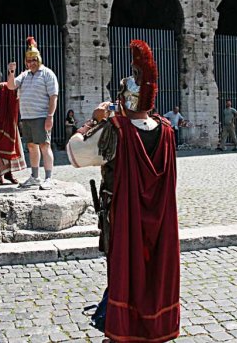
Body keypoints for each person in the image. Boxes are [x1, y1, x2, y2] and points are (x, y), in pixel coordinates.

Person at [66, 40, 180, 342]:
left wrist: (93, 120)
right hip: (159, 224)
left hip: (124, 217)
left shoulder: (116, 130)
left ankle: (123, 330)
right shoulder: (167, 130)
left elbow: (75, 154)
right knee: (153, 273)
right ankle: (153, 328)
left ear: (125, 100)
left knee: (125, 272)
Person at [6, 36, 59, 191]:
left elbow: (53, 96)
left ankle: (49, 177)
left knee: (44, 145)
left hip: (41, 116)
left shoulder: (47, 74)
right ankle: (35, 176)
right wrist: (11, 72)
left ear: (39, 59)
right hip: (27, 116)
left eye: (34, 60)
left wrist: (50, 116)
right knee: (31, 146)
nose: (31, 63)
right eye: (29, 61)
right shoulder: (24, 74)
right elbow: (11, 86)